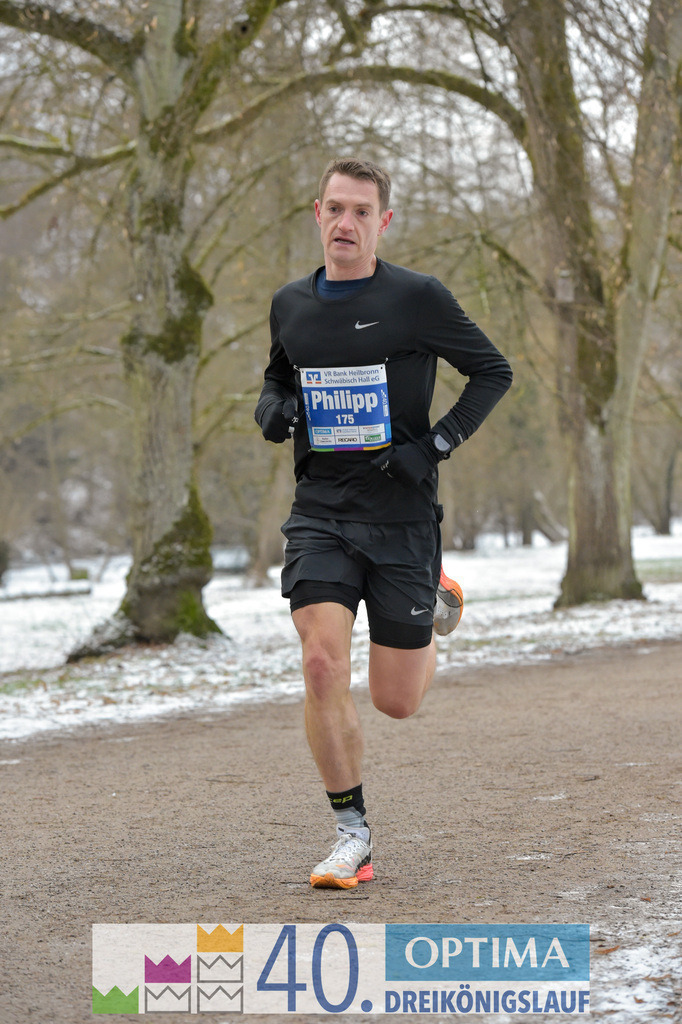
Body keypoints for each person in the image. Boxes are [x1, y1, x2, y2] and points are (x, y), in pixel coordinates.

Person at [255, 157, 512, 889]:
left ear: (383, 222)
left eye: (361, 212)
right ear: (316, 213)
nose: (346, 223)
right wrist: (272, 410)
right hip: (322, 513)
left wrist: (430, 448)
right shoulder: (291, 304)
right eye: (335, 208)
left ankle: (435, 595)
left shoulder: (417, 298)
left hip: (401, 517)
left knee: (397, 702)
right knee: (320, 664)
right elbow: (280, 376)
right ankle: (352, 834)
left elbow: (493, 372)